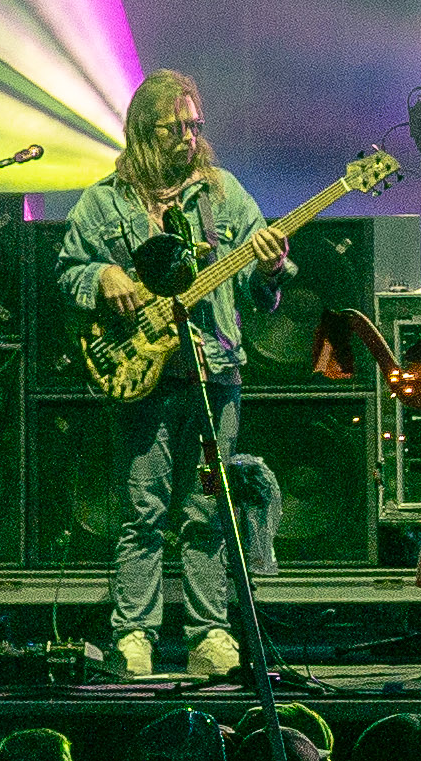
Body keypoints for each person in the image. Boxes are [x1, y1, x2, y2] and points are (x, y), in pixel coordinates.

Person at [57, 70, 269, 686]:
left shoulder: (223, 194)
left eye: (195, 126)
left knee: (208, 508)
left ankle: (211, 634)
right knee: (142, 509)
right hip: (143, 373)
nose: (187, 137)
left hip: (215, 371)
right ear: (141, 129)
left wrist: (273, 267)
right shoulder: (105, 203)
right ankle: (134, 635)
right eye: (174, 127)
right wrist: (101, 276)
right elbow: (68, 272)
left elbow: (260, 289)